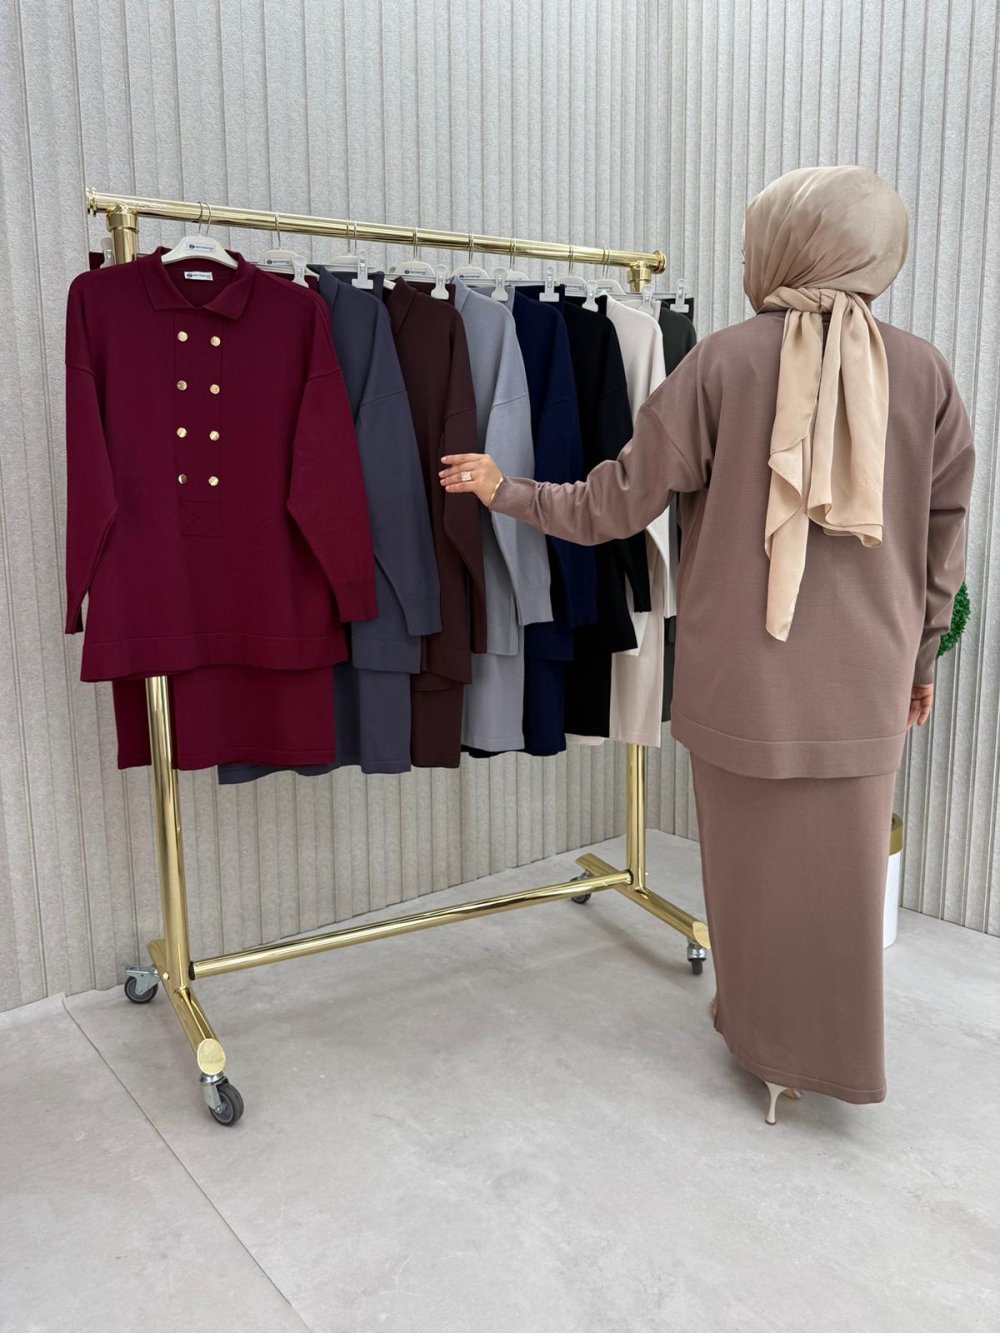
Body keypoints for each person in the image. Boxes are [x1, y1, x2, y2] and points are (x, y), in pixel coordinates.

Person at [438, 166, 975, 1124]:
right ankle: (836, 1055)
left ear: (788, 245)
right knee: (844, 886)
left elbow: (616, 503)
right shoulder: (926, 372)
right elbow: (945, 536)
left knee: (749, 876)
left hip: (743, 682)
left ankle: (768, 1050)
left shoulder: (726, 362)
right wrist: (923, 657)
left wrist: (505, 491)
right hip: (868, 683)